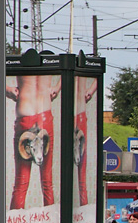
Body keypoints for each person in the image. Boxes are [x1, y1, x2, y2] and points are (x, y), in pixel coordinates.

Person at [7, 75, 61, 209]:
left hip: (26, 109)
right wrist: (57, 87)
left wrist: (7, 89)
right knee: (47, 182)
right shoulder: (50, 61)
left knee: (21, 183)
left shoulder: (22, 63)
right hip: (45, 112)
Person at [73, 76, 97, 205]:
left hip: (78, 114)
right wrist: (91, 90)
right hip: (80, 112)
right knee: (81, 179)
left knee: (81, 177)